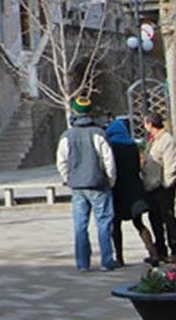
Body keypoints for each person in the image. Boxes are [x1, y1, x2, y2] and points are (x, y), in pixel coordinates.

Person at [55, 95, 118, 272]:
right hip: (98, 183)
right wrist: (110, 180)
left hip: (78, 187)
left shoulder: (67, 135)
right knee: (104, 222)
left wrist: (69, 179)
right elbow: (108, 160)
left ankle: (83, 263)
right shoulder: (99, 133)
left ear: (74, 111)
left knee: (80, 225)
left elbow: (61, 162)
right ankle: (106, 260)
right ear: (90, 111)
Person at [106, 118, 153, 266]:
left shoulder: (111, 145)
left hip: (117, 189)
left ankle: (119, 258)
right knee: (139, 223)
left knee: (116, 225)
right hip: (134, 188)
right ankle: (153, 252)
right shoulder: (132, 145)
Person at [140, 114, 176, 263]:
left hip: (163, 187)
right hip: (151, 186)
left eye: (146, 123)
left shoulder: (166, 140)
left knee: (168, 218)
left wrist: (167, 184)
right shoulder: (152, 141)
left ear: (151, 124)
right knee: (155, 220)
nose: (145, 126)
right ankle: (160, 250)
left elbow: (171, 164)